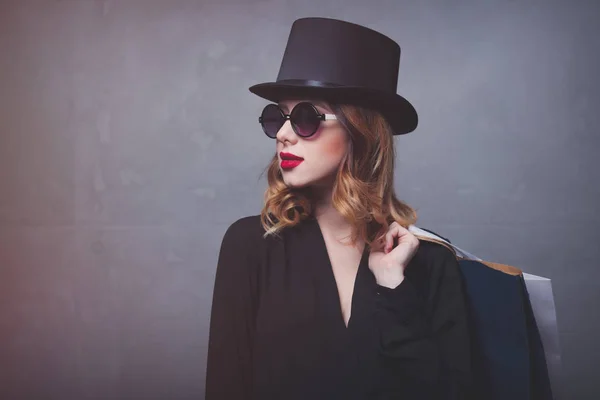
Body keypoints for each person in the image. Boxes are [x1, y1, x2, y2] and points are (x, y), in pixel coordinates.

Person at [205, 17, 473, 400]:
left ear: (359, 132)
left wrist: (393, 287)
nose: (283, 133)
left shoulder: (430, 264)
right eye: (277, 116)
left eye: (305, 117)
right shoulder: (252, 245)